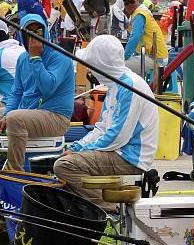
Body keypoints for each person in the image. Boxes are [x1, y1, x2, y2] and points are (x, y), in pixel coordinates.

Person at [54, 35, 159, 207]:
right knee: (66, 161)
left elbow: (117, 137)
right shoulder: (115, 86)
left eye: (91, 65)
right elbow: (101, 128)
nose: (90, 70)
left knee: (65, 166)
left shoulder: (128, 87)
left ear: (101, 65)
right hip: (119, 152)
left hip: (129, 158)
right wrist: (76, 147)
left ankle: (108, 208)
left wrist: (79, 151)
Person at [0, 14, 75, 171]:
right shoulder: (22, 58)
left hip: (56, 116)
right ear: (22, 36)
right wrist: (5, 115)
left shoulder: (60, 57)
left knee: (15, 119)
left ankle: (15, 172)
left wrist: (36, 58)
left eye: (38, 31)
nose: (34, 37)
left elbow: (48, 88)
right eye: (29, 33)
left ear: (45, 33)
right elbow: (16, 93)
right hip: (29, 111)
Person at [122, 0, 168, 75]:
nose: (129, 5)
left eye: (132, 1)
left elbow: (135, 37)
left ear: (137, 1)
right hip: (157, 55)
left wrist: (124, 56)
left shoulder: (139, 14)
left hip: (155, 58)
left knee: (118, 66)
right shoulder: (144, 12)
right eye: (126, 3)